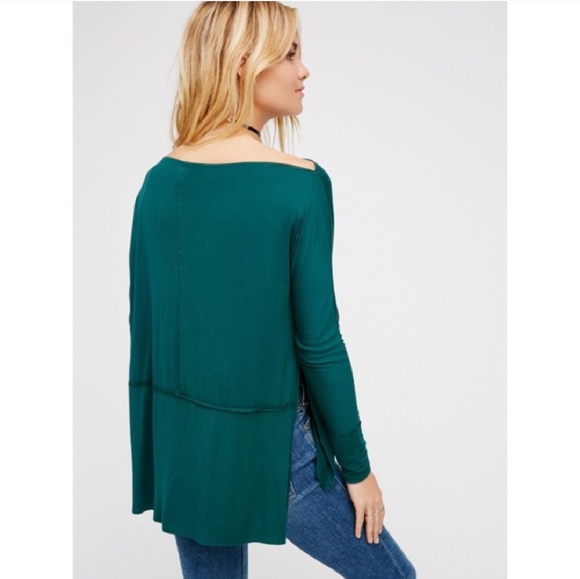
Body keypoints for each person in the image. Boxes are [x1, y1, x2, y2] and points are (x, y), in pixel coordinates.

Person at [128, 2, 416, 577]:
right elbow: (319, 343)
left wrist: (163, 443)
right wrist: (357, 468)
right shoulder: (299, 185)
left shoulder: (158, 184)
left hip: (186, 441)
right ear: (242, 62)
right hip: (277, 446)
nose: (303, 70)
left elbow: (146, 329)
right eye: (288, 54)